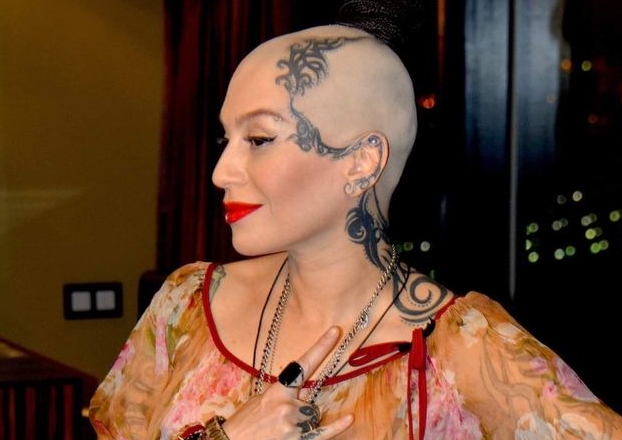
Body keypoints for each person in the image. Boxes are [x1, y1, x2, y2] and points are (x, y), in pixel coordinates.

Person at [88, 1, 622, 439]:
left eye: (259, 139)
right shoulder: (185, 307)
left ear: (362, 161)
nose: (221, 172)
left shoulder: (462, 349)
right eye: (226, 139)